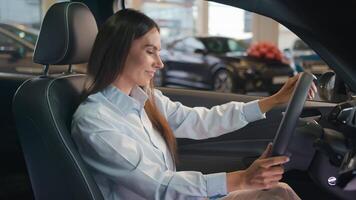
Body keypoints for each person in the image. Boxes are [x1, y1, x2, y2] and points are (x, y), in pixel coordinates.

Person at [71, 9, 316, 200]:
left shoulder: (145, 100)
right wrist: (241, 179)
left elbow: (200, 121)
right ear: (120, 51)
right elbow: (159, 186)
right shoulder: (95, 121)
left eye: (159, 52)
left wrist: (272, 101)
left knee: (279, 193)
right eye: (150, 51)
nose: (160, 63)